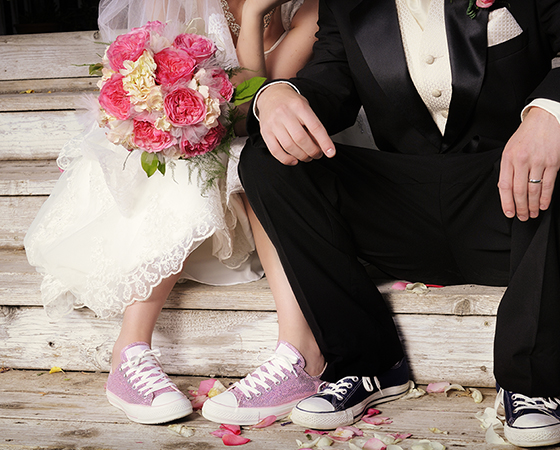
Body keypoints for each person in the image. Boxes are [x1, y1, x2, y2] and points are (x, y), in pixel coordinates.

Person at [236, 0, 560, 446]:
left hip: (514, 204)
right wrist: (276, 95)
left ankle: (533, 382)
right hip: (403, 213)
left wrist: (550, 112)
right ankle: (365, 363)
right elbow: (329, 83)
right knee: (266, 159)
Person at [24, 0, 322, 425]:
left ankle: (298, 355)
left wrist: (255, 14)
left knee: (258, 156)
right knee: (174, 150)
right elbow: (153, 83)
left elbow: (252, 111)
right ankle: (129, 352)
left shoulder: (308, 8)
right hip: (195, 164)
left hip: (262, 153)